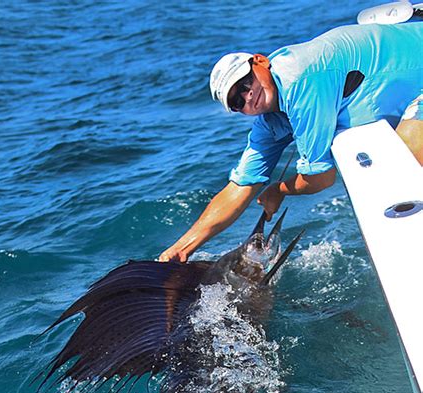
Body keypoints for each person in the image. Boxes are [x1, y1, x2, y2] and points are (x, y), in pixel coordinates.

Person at [159, 21, 422, 263]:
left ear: (260, 62)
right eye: (237, 101)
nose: (248, 96)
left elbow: (321, 178)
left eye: (245, 82)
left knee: (407, 159)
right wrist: (182, 248)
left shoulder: (299, 80)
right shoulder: (271, 119)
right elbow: (240, 187)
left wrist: (279, 190)